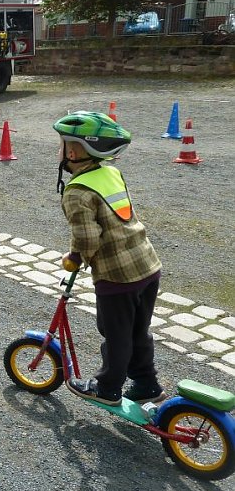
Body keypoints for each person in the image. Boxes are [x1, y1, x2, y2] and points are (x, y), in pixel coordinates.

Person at [54, 112, 164, 407]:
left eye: (62, 144)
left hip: (117, 276)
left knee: (115, 333)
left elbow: (88, 238)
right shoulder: (110, 173)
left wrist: (74, 258)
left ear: (74, 151)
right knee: (138, 330)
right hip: (147, 265)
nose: (59, 150)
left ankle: (108, 388)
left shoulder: (77, 191)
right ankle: (146, 383)